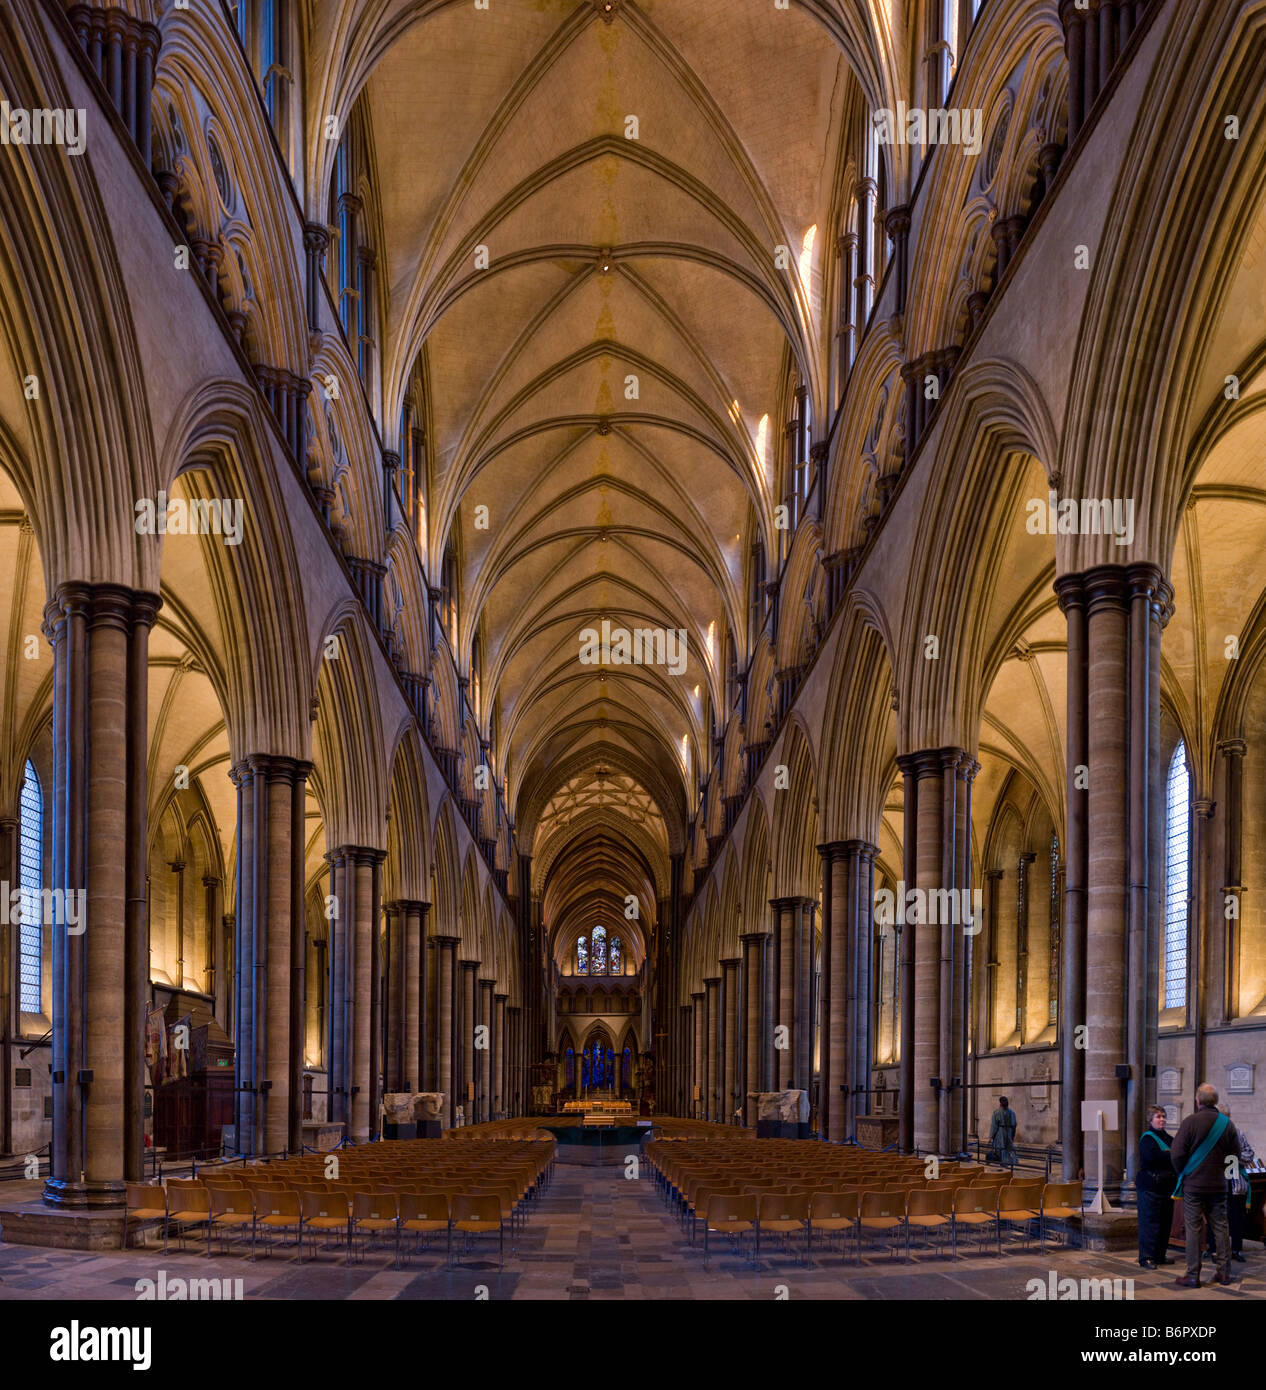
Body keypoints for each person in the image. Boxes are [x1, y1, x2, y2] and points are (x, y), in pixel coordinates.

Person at [1170, 1082, 1242, 1288]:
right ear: (1216, 1101)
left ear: (1198, 1100)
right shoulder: (1227, 1124)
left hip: (1194, 1186)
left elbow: (1176, 1154)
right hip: (1219, 1186)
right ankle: (1224, 1273)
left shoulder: (1190, 1122)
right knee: (1221, 1228)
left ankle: (1193, 1275)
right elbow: (1235, 1156)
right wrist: (1225, 1178)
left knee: (1193, 1228)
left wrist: (1183, 1173)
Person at [1205, 1107, 1252, 1264]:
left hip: (1235, 1183)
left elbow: (1249, 1153)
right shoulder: (1210, 1135)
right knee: (1215, 1217)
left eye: (1225, 1118)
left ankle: (1236, 1249)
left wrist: (1234, 1158)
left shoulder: (1237, 1133)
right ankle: (1213, 1249)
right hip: (1215, 1181)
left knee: (1236, 1218)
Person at [1135, 1106, 1175, 1270]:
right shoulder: (1147, 1138)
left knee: (1165, 1223)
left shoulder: (1168, 1138)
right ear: (1151, 1120)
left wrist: (1169, 1155)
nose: (1162, 1119)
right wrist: (1170, 1155)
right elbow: (1152, 1157)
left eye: (1164, 1116)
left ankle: (1160, 1255)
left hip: (1166, 1186)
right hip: (1150, 1186)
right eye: (1158, 1116)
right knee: (1149, 1223)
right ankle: (1146, 1257)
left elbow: (1177, 1155)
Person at [989, 1096, 1018, 1168]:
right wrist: (1013, 1135)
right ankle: (1012, 1161)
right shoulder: (1012, 1112)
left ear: (1000, 1104)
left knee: (1001, 1147)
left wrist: (991, 1137)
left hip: (1000, 1132)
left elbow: (994, 1126)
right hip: (1009, 1131)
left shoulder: (997, 1112)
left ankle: (1003, 1162)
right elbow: (1014, 1125)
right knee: (1009, 1147)